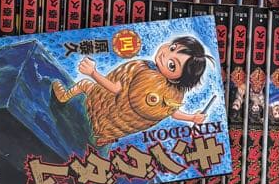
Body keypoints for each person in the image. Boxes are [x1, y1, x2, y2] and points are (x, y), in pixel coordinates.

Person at [49, 35, 209, 150]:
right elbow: (173, 112)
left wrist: (93, 73)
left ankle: (63, 97)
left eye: (172, 65)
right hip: (114, 127)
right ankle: (103, 139)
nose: (165, 54)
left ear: (179, 79)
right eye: (172, 48)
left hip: (101, 106)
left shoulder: (144, 72)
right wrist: (192, 117)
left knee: (85, 84)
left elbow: (115, 89)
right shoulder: (173, 95)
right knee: (110, 132)